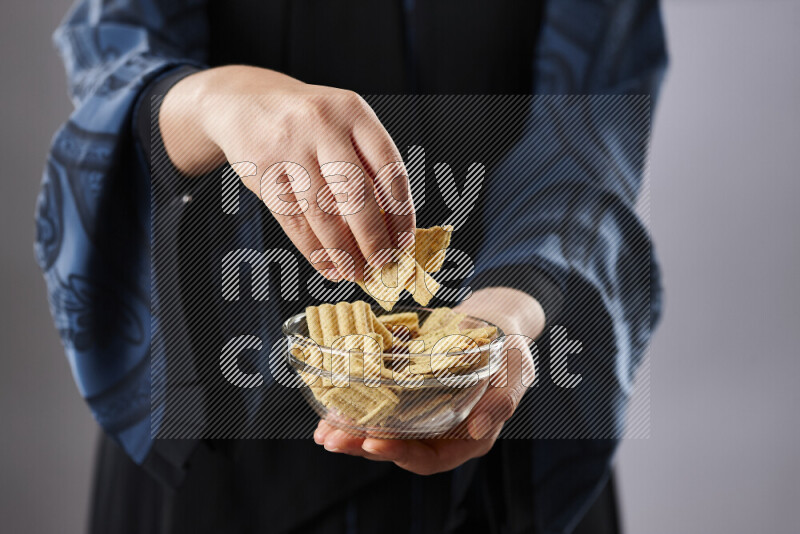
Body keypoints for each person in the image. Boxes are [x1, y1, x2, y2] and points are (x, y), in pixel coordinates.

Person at [35, 0, 666, 532]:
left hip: (505, 424)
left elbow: (590, 127)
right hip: (218, 448)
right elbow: (114, 60)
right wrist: (212, 101)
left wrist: (508, 309)